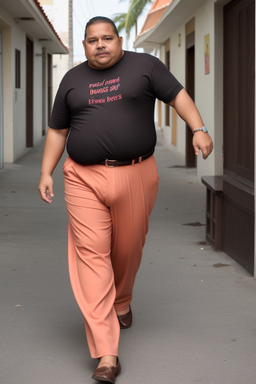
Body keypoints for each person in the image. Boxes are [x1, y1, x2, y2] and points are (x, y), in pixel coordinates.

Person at [38, 16, 213, 383]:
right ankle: (107, 353)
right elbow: (58, 130)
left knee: (128, 248)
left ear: (119, 40)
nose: (99, 45)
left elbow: (178, 95)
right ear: (84, 46)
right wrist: (45, 172)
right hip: (83, 177)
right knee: (93, 255)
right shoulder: (72, 80)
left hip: (137, 173)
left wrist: (197, 128)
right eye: (91, 40)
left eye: (106, 38)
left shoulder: (145, 66)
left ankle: (122, 300)